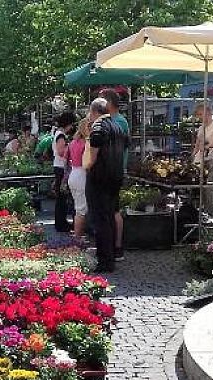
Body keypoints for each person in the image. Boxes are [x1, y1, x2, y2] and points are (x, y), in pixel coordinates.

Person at [84, 98, 127, 273]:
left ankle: (104, 260)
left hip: (99, 178)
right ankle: (111, 257)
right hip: (115, 177)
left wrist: (86, 165)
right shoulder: (117, 126)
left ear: (94, 112)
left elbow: (91, 159)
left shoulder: (99, 128)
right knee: (109, 217)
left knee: (100, 219)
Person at [99, 88, 130, 262]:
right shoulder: (112, 120)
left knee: (114, 209)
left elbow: (122, 147)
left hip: (115, 170)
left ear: (109, 103)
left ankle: (118, 246)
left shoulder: (119, 121)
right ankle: (111, 244)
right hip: (110, 170)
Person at [193, 104, 213, 217]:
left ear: (208, 113)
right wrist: (192, 157)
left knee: (210, 186)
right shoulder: (201, 128)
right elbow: (197, 145)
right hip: (203, 160)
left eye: (201, 114)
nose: (199, 117)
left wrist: (208, 146)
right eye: (198, 115)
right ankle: (204, 211)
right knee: (200, 185)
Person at [66, 118, 90, 237]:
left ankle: (78, 235)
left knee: (78, 207)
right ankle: (78, 238)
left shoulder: (72, 142)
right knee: (81, 210)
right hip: (81, 174)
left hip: (73, 173)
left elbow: (65, 156)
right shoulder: (86, 143)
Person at [53, 112, 76, 232]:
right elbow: (61, 151)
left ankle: (61, 222)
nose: (72, 127)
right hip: (61, 167)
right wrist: (71, 147)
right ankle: (61, 224)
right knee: (62, 196)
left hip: (59, 167)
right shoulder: (61, 135)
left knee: (61, 196)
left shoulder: (58, 133)